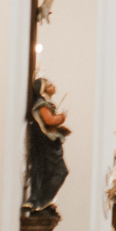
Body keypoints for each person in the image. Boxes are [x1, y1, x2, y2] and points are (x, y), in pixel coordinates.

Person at [26, 78, 71, 209]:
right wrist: (61, 117)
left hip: (50, 143)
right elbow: (48, 120)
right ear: (43, 89)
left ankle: (42, 201)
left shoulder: (46, 104)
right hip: (47, 143)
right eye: (50, 85)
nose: (54, 86)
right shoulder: (42, 104)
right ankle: (40, 201)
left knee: (56, 172)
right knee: (60, 172)